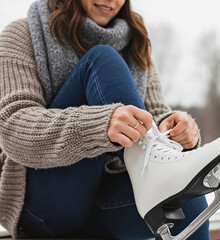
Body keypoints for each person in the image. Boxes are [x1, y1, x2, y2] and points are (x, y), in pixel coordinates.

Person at [0, 0, 209, 239]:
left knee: (186, 199)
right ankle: (155, 172)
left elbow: (155, 112)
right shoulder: (22, 34)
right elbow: (12, 126)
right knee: (102, 58)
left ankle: (158, 174)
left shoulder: (136, 43)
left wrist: (172, 126)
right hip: (45, 208)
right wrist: (100, 125)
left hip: (107, 204)